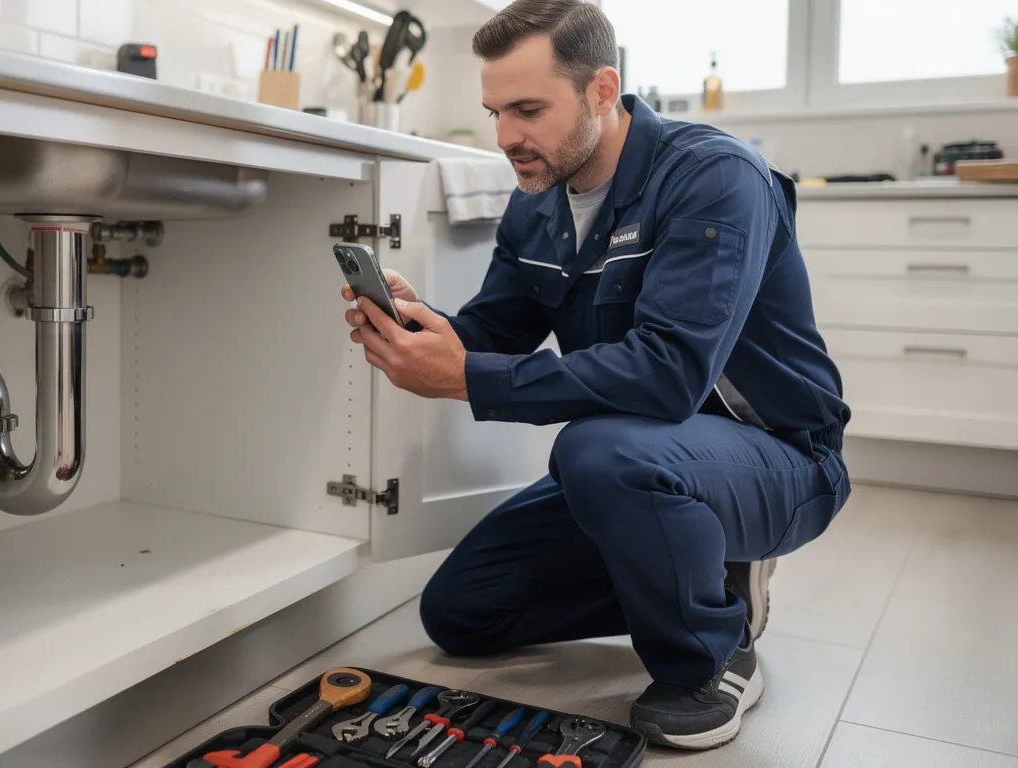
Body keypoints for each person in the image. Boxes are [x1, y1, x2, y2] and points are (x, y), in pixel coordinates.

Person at [340, 0, 852, 752]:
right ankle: (705, 577)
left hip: (780, 457)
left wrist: (468, 379)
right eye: (495, 113)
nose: (506, 137)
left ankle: (709, 656)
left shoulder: (714, 178)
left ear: (602, 90)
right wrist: (426, 330)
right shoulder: (538, 200)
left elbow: (669, 375)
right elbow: (495, 332)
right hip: (646, 462)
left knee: (592, 451)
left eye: (528, 110)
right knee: (463, 611)